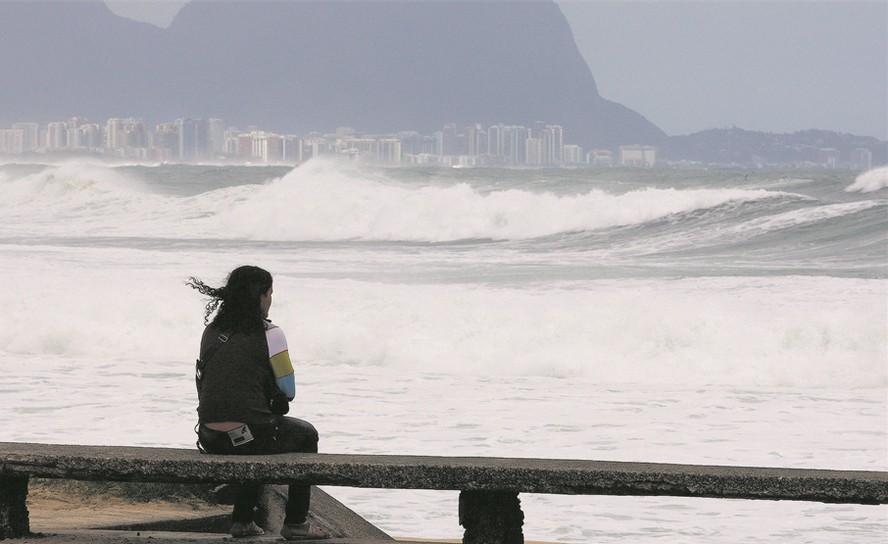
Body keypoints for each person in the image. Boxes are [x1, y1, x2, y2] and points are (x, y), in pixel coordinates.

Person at [187, 265, 330, 540]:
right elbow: (288, 391)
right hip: (249, 437)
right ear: (261, 296)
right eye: (270, 293)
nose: (271, 299)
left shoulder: (212, 331)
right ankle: (297, 523)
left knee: (258, 434)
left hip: (209, 436)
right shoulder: (272, 334)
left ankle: (243, 521)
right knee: (304, 435)